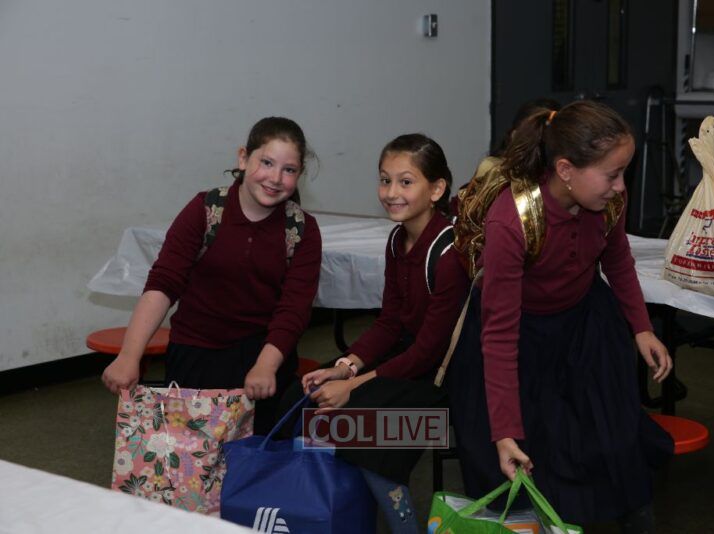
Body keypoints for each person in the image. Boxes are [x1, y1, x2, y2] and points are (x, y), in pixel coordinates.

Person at [448, 100, 674, 533]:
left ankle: (632, 511)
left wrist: (641, 328)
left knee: (609, 429)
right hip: (519, 335)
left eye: (624, 173)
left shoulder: (608, 201)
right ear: (566, 170)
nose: (620, 186)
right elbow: (499, 335)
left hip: (584, 323)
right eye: (612, 174)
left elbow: (618, 260)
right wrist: (504, 433)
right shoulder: (512, 221)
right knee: (538, 445)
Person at [102, 117, 322, 435]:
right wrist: (129, 355)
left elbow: (294, 309)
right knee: (190, 456)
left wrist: (266, 366)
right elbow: (163, 284)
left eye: (289, 170)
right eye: (267, 162)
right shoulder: (205, 210)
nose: (275, 178)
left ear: (299, 175)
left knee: (256, 457)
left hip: (264, 357)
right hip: (196, 355)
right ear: (243, 158)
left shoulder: (302, 230)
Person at [299, 133, 470, 533]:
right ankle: (342, 519)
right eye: (385, 180)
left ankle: (403, 526)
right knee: (304, 399)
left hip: (445, 377)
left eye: (405, 182)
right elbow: (390, 322)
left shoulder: (450, 254)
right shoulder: (397, 240)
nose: (391, 193)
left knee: (365, 431)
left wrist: (353, 386)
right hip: (406, 361)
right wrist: (344, 367)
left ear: (437, 189)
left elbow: (429, 351)